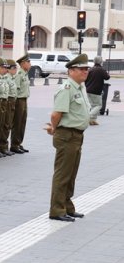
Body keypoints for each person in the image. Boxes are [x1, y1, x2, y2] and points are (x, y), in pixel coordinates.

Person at [46, 54, 91, 222]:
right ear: (71, 71)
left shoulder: (80, 87)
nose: (85, 72)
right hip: (67, 135)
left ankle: (67, 206)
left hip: (77, 135)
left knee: (71, 174)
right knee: (63, 174)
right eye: (81, 69)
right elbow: (56, 114)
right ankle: (57, 210)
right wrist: (54, 128)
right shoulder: (66, 88)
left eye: (87, 69)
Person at [11, 54, 31, 152]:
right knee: (17, 123)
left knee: (22, 122)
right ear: (23, 63)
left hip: (24, 100)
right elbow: (16, 89)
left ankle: (19, 143)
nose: (30, 64)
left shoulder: (25, 74)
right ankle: (14, 144)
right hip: (19, 101)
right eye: (28, 62)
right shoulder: (19, 74)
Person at [85, 55, 110, 126]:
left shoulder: (91, 69)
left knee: (93, 105)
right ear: (101, 61)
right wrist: (105, 71)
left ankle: (92, 120)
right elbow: (107, 77)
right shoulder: (101, 69)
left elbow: (85, 79)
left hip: (88, 90)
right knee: (99, 105)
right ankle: (89, 116)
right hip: (96, 91)